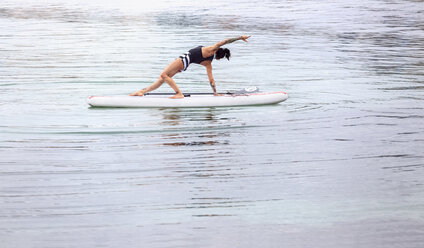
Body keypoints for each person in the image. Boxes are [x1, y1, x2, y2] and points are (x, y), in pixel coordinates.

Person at [130, 35, 251, 99]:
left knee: (163, 75)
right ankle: (142, 91)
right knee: (162, 79)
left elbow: (224, 41)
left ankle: (179, 94)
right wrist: (215, 93)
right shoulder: (209, 63)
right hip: (185, 64)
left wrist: (240, 38)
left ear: (216, 52)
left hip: (184, 59)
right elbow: (211, 80)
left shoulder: (212, 49)